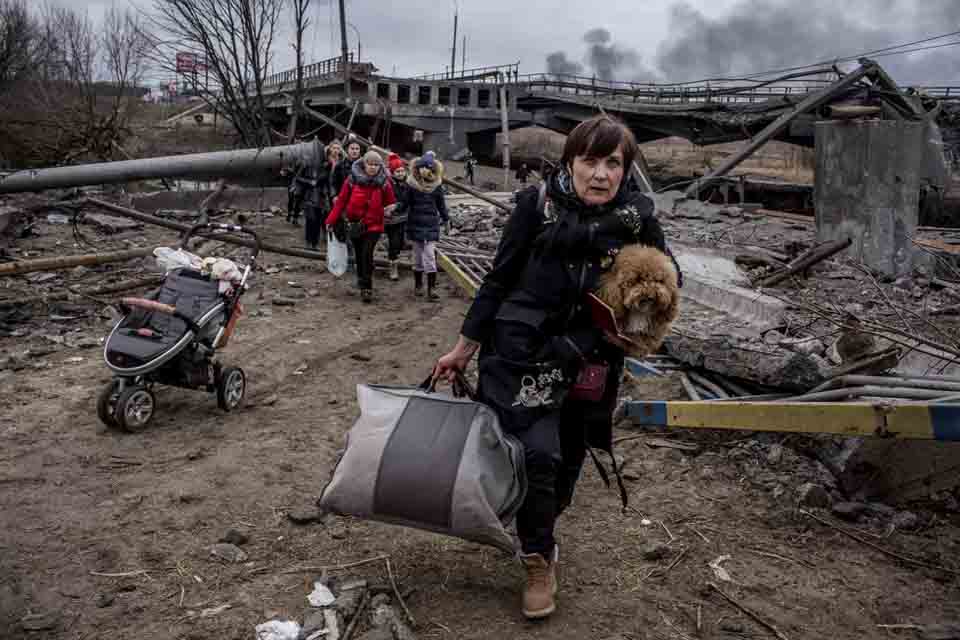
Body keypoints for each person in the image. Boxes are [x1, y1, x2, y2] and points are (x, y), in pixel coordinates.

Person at [432, 115, 681, 620]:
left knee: (568, 462)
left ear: (625, 170)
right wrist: (464, 348)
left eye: (613, 163)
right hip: (526, 353)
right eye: (589, 160)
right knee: (535, 456)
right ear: (570, 162)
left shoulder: (639, 220)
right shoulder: (536, 208)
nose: (600, 174)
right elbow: (498, 281)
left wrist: (633, 323)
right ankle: (537, 557)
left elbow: (666, 288)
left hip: (591, 359)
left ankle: (539, 525)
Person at [326, 150, 396, 303]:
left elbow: (391, 201)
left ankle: (367, 288)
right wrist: (330, 220)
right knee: (359, 254)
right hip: (355, 224)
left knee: (367, 254)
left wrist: (390, 209)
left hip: (374, 225)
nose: (373, 167)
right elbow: (341, 201)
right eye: (370, 164)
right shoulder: (352, 180)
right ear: (364, 164)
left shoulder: (384, 182)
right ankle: (361, 277)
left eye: (376, 165)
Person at [396, 151, 448, 300]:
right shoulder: (411, 185)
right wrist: (394, 208)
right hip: (415, 224)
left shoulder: (437, 186)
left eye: (427, 168)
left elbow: (441, 205)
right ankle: (418, 285)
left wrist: (446, 220)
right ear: (417, 168)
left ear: (432, 170)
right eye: (421, 167)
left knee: (430, 257)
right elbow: (405, 202)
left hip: (431, 225)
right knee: (418, 257)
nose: (424, 170)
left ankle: (431, 289)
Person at [300, 145, 336, 251]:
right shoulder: (307, 164)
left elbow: (330, 180)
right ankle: (308, 242)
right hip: (309, 196)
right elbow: (298, 178)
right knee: (310, 219)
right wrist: (310, 182)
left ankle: (314, 243)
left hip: (321, 197)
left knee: (317, 221)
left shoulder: (327, 166)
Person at [385, 153, 411, 282]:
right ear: (392, 172)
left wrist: (398, 206)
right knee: (394, 242)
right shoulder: (388, 185)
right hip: (390, 219)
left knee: (400, 243)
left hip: (403, 217)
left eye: (402, 171)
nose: (401, 173)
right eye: (397, 171)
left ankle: (394, 257)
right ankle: (393, 267)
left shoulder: (408, 184)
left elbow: (407, 201)